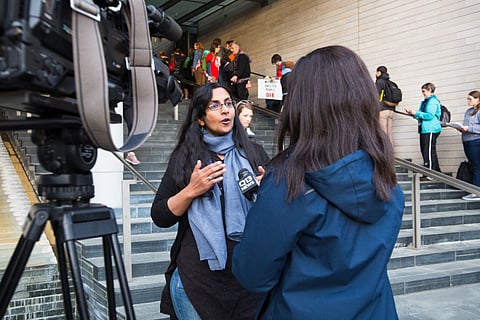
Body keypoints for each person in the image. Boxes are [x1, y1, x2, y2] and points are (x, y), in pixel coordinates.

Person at [232, 45, 405, 319]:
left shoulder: (289, 182)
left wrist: (268, 204)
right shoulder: (387, 180)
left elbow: (253, 274)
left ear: (304, 104)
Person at [150, 82, 270, 319]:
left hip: (246, 282)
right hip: (196, 283)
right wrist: (191, 190)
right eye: (214, 106)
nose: (225, 110)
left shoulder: (255, 153)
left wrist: (270, 191)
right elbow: (159, 216)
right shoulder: (185, 158)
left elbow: (274, 216)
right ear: (201, 118)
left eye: (228, 104)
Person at [405, 82, 442, 179]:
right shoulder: (424, 102)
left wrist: (416, 113)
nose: (423, 93)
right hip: (424, 129)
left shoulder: (433, 101)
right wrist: (413, 114)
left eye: (424, 91)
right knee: (427, 150)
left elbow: (429, 116)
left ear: (430, 90)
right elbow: (421, 115)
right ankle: (436, 172)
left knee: (428, 151)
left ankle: (429, 174)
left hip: (431, 129)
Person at [456, 90, 480, 200]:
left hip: (475, 141)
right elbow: (466, 125)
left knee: (477, 166)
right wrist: (461, 128)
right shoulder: (468, 111)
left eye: (470, 99)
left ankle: (476, 191)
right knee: (473, 165)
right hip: (466, 140)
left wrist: (469, 128)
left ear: (478, 99)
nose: (468, 101)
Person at [375, 65, 395, 145]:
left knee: (383, 133)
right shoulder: (390, 82)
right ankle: (391, 154)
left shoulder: (379, 81)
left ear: (379, 72)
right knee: (389, 133)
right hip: (391, 111)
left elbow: (375, 95)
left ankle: (385, 155)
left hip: (382, 110)